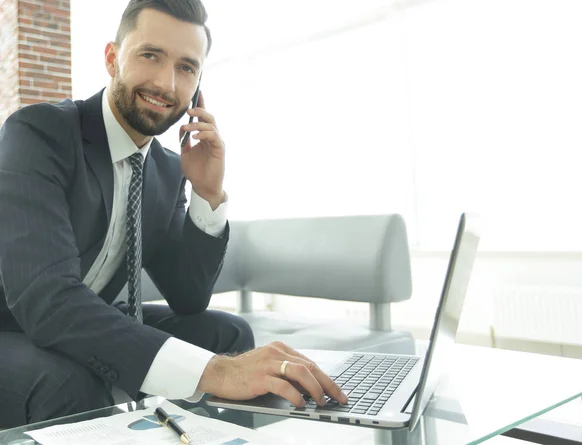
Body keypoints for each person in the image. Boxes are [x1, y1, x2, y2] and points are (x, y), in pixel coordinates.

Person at [0, 0, 346, 429]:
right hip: (12, 326)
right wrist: (215, 373)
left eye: (186, 67)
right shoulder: (37, 133)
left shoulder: (166, 169)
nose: (166, 83)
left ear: (199, 84)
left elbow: (188, 297)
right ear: (112, 58)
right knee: (67, 382)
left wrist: (207, 191)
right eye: (150, 55)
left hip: (79, 320)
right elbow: (46, 300)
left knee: (229, 337)